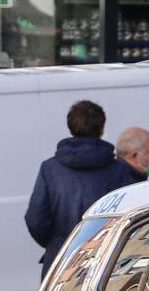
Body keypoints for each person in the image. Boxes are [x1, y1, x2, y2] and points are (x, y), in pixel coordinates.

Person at [24, 99, 141, 271]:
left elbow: (35, 219)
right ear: (101, 129)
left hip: (60, 259)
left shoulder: (50, 169)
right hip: (106, 258)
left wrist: (56, 242)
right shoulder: (120, 170)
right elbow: (133, 216)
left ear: (70, 127)